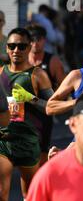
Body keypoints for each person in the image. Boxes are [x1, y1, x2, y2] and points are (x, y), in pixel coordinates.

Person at [0, 28, 54, 201]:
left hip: (29, 143)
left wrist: (29, 98)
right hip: (4, 141)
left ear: (30, 46)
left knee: (34, 197)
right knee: (1, 196)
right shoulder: (0, 74)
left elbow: (51, 108)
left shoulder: (38, 75)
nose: (15, 51)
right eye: (11, 46)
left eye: (21, 46)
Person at [26, 24, 66, 164]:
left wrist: (54, 98)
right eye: (31, 39)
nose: (35, 43)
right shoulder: (21, 60)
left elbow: (63, 87)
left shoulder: (52, 61)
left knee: (42, 150)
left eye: (39, 39)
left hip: (43, 112)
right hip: (22, 112)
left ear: (44, 40)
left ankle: (40, 179)